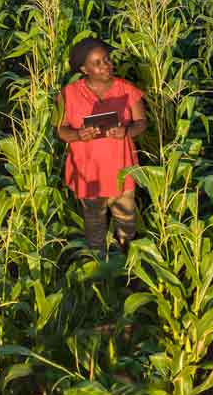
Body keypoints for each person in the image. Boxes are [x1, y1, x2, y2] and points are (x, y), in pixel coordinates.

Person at [56, 37, 147, 253]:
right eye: (97, 63)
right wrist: (78, 134)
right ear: (83, 69)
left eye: (106, 59)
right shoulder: (68, 94)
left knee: (126, 220)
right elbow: (61, 131)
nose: (106, 65)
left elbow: (141, 123)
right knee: (94, 222)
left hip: (121, 168)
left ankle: (127, 261)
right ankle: (98, 263)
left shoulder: (126, 89)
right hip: (89, 172)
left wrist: (127, 131)